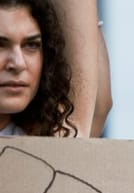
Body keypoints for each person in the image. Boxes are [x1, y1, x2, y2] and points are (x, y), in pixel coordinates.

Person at [0, 0, 108, 137]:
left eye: (31, 45)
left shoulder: (55, 138)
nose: (18, 63)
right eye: (0, 45)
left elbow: (100, 107)